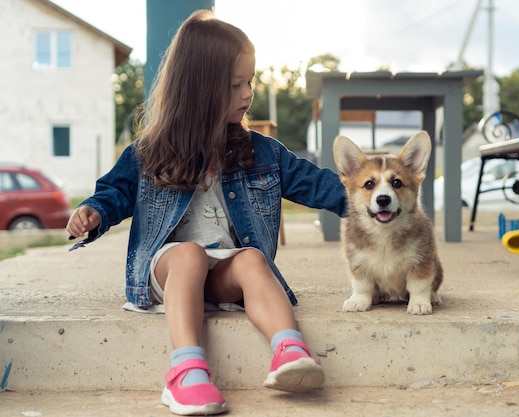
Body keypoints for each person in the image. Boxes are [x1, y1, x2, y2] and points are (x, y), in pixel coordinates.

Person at [66, 9, 346, 416]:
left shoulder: (262, 152)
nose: (248, 93)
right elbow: (114, 193)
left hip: (223, 274)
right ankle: (186, 372)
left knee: (252, 259)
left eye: (250, 81)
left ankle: (290, 351)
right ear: (199, 88)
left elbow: (316, 184)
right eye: (236, 85)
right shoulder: (147, 153)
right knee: (189, 254)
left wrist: (374, 205)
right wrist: (93, 211)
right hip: (171, 269)